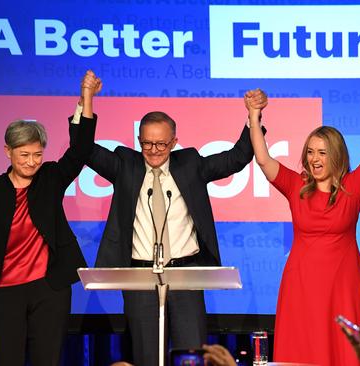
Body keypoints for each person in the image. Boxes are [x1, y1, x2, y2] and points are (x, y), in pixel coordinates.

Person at [80, 89, 266, 366]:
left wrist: (253, 116)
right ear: (139, 140)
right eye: (147, 144)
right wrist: (86, 100)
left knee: (191, 356)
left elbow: (235, 158)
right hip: (140, 277)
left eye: (161, 145)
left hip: (185, 275)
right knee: (145, 357)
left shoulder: (190, 164)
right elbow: (83, 148)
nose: (154, 151)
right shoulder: (125, 166)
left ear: (174, 142)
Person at [0, 71, 100, 365]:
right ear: (8, 151)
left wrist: (86, 98)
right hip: (4, 290)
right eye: (24, 155)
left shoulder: (50, 178)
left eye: (37, 154)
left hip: (49, 289)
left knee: (47, 359)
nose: (32, 162)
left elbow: (81, 150)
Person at [245, 83, 360, 366]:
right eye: (310, 152)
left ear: (335, 155)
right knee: (304, 348)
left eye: (322, 152)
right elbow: (262, 159)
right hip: (302, 285)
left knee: (344, 352)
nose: (314, 159)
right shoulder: (295, 185)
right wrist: (254, 116)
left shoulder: (353, 187)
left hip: (343, 286)